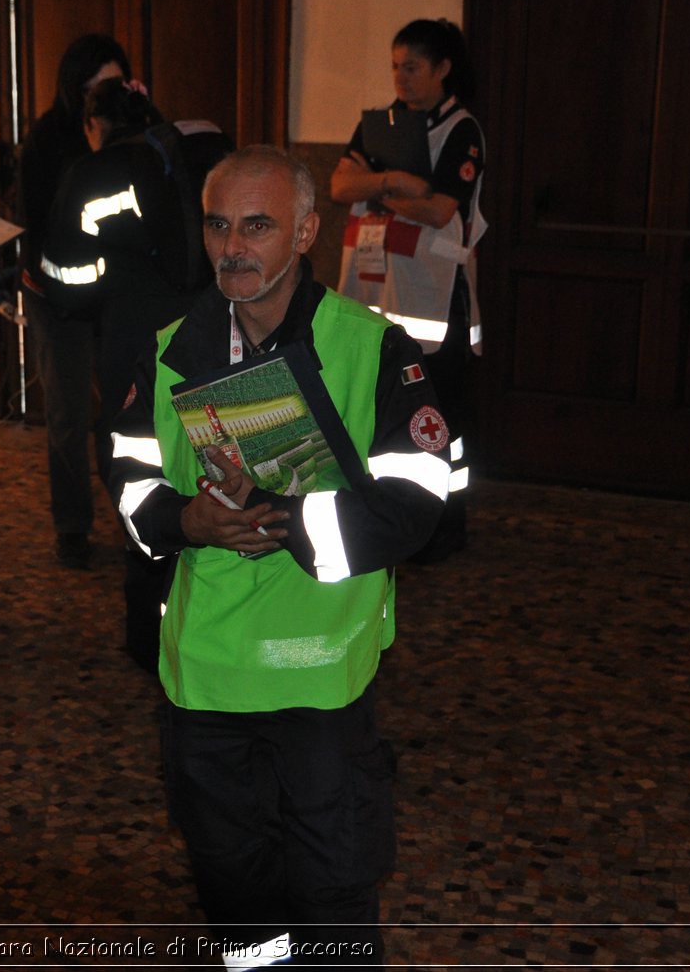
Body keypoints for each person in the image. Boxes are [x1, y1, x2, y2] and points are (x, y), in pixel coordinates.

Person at [107, 146, 449, 965]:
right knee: (236, 896)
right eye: (219, 224)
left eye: (257, 226)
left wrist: (291, 519)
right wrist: (184, 519)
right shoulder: (167, 349)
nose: (233, 247)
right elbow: (125, 482)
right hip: (207, 675)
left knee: (333, 889)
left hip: (319, 676)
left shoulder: (371, 348)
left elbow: (423, 497)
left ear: (304, 232)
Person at [38, 76, 230, 671]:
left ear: (96, 124)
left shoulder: (94, 173)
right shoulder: (206, 144)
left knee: (137, 460)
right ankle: (212, 611)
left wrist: (97, 285)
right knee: (213, 453)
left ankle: (148, 628)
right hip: (213, 326)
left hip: (137, 336)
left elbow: (65, 274)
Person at [331, 17, 484, 562]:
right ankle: (393, 518)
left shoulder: (461, 129)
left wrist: (379, 189)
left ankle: (444, 528)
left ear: (442, 69)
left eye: (412, 66)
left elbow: (441, 207)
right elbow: (339, 185)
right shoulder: (381, 125)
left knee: (440, 422)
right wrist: (396, 182)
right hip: (379, 298)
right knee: (386, 416)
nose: (401, 77)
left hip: (436, 303)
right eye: (395, 65)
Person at [17, 33, 131, 569]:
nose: (101, 98)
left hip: (115, 298)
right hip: (57, 295)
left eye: (112, 86)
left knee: (123, 411)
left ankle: (134, 516)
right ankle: (73, 527)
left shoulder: (136, 131)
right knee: (66, 414)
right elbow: (37, 224)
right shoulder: (48, 140)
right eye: (93, 87)